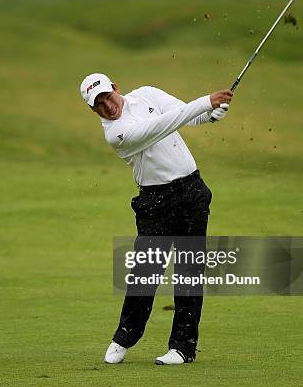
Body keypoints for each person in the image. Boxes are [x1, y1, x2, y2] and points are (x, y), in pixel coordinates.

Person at [80, 73, 233, 365]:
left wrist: (212, 114)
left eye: (107, 97)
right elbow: (162, 126)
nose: (107, 106)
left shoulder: (147, 94)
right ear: (92, 110)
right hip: (155, 201)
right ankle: (124, 337)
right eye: (98, 105)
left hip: (192, 191)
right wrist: (204, 102)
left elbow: (187, 116)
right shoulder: (116, 134)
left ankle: (182, 348)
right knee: (145, 271)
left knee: (189, 270)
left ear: (116, 88)